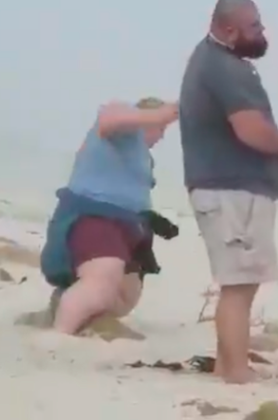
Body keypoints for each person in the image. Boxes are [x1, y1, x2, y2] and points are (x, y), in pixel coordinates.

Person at [178, 0, 278, 384]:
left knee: (242, 281)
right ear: (230, 30)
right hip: (230, 191)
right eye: (254, 27)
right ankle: (235, 373)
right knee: (238, 284)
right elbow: (251, 131)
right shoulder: (223, 68)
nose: (263, 33)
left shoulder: (216, 62)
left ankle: (229, 366)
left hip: (229, 189)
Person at [40, 97, 180, 335]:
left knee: (125, 296)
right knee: (103, 279)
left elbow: (128, 192)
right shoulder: (120, 129)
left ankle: (71, 302)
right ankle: (59, 335)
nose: (162, 136)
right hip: (93, 215)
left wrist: (153, 219)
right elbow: (108, 118)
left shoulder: (144, 158)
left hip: (129, 225)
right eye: (161, 129)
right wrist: (163, 113)